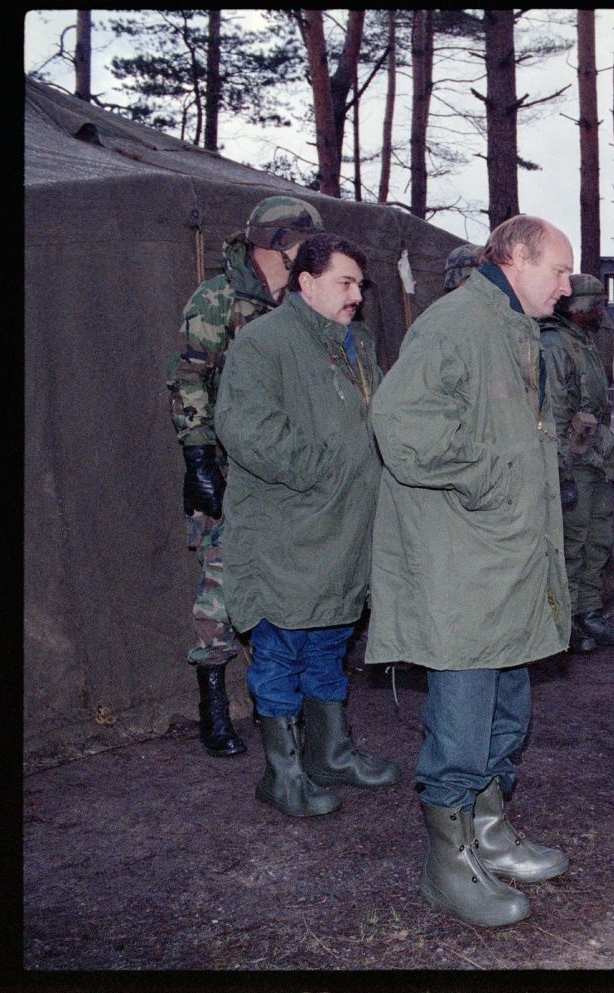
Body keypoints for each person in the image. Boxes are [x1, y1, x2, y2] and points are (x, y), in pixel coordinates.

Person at [367, 214, 573, 928]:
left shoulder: (515, 330)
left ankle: (488, 830)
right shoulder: (456, 325)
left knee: (507, 707)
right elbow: (399, 427)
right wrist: (488, 475)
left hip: (508, 561)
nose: (567, 286)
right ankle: (446, 863)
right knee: (461, 719)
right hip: (465, 561)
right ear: (516, 257)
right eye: (559, 270)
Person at [214, 232, 400, 818]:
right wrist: (328, 468)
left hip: (344, 529)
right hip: (286, 534)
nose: (356, 295)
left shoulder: (358, 344)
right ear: (307, 283)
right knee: (281, 650)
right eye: (344, 283)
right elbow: (247, 430)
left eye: (360, 284)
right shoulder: (264, 344)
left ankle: (332, 751)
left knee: (329, 642)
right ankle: (283, 772)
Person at [166, 195, 325, 758]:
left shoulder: (305, 298)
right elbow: (188, 378)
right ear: (283, 241)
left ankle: (277, 701)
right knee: (222, 578)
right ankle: (212, 700)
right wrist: (198, 457)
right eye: (308, 239)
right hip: (230, 466)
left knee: (289, 577)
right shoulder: (217, 298)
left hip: (288, 466)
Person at [539, 273, 614, 653]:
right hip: (572, 462)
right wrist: (563, 472)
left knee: (598, 539)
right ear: (575, 306)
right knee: (572, 543)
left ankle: (590, 613)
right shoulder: (553, 345)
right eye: (594, 303)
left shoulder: (583, 343)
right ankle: (568, 621)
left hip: (593, 461)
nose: (599, 310)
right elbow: (557, 414)